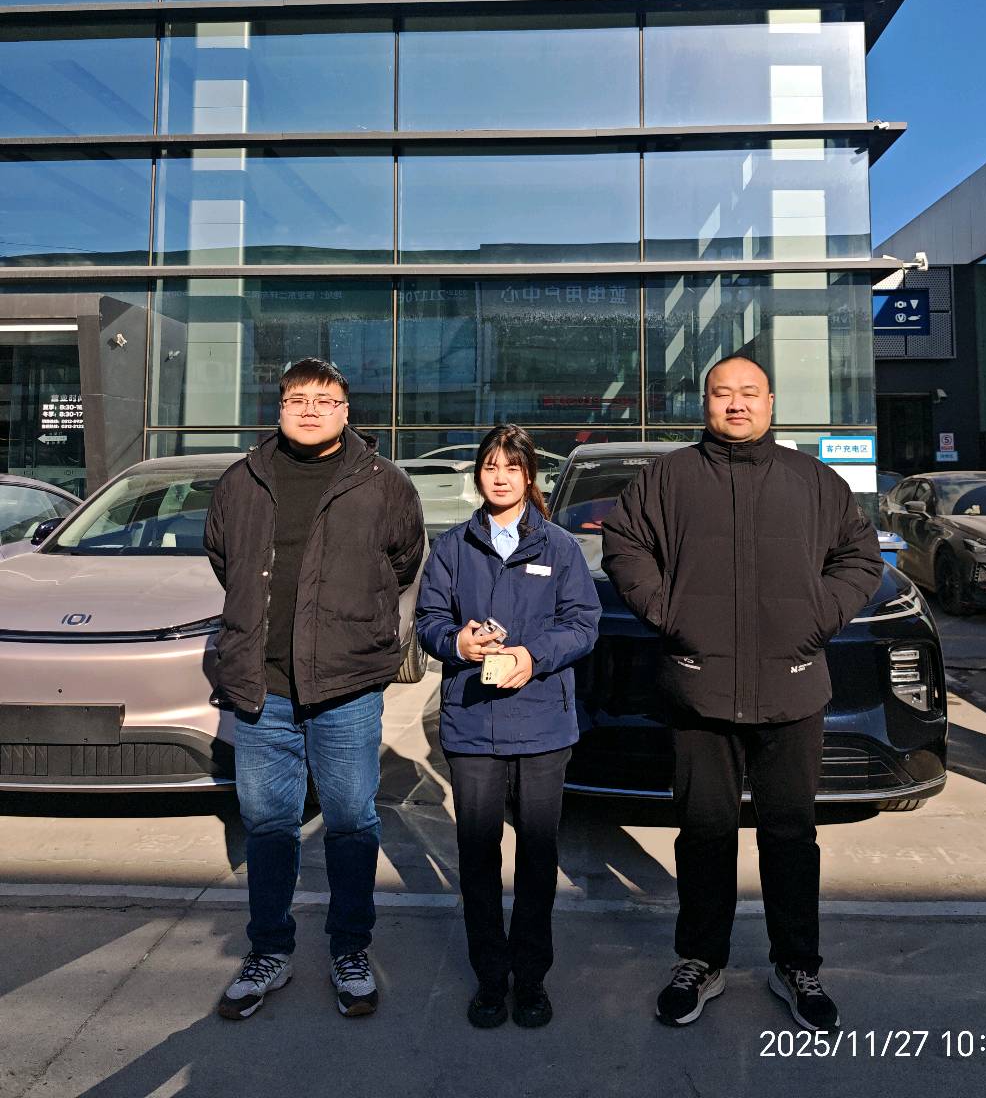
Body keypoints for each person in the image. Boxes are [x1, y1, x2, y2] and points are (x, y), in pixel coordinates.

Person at [601, 356, 881, 1033]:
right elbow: (624, 545)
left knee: (791, 834)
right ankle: (701, 960)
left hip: (792, 686)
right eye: (722, 393)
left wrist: (818, 617)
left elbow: (860, 557)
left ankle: (796, 964)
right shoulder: (668, 478)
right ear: (704, 403)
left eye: (748, 393)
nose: (736, 404)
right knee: (704, 833)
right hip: (700, 686)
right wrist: (670, 613)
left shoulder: (813, 480)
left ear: (770, 402)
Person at [203, 358, 425, 1021]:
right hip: (262, 686)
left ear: (345, 412)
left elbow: (403, 561)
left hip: (346, 686)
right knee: (269, 825)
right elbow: (224, 558)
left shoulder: (383, 482)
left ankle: (350, 949)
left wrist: (361, 630)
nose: (309, 409)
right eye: (297, 398)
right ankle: (269, 950)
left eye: (324, 400)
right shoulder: (241, 480)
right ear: (278, 408)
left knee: (351, 821)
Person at [416, 423, 600, 1030]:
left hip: (543, 724)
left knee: (538, 860)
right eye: (490, 466)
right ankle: (491, 980)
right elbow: (428, 620)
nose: (500, 477)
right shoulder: (452, 547)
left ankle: (532, 978)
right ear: (478, 475)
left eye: (511, 467)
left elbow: (584, 624)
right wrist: (458, 642)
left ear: (529, 476)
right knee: (477, 858)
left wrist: (532, 655)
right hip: (473, 725)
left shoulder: (559, 547)